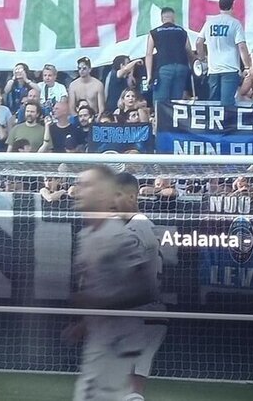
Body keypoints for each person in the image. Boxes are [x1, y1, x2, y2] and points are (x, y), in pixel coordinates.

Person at [67, 166, 164, 401]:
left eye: (117, 195)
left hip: (138, 315)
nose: (112, 201)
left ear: (132, 196)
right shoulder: (137, 226)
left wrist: (96, 304)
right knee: (125, 388)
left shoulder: (133, 229)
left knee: (116, 386)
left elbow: (137, 283)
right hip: (146, 314)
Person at [196, 0, 250, 105]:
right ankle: (227, 117)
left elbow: (198, 42)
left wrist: (202, 59)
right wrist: (247, 66)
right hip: (230, 68)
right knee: (227, 103)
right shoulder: (235, 23)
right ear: (232, 6)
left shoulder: (209, 23)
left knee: (213, 103)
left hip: (213, 69)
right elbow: (242, 46)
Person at [144, 7, 192, 105]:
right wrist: (192, 67)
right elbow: (189, 51)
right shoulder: (182, 31)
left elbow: (149, 54)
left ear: (162, 18)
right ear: (174, 18)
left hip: (164, 66)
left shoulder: (154, 32)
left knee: (160, 101)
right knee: (176, 101)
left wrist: (149, 76)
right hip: (181, 67)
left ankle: (160, 115)